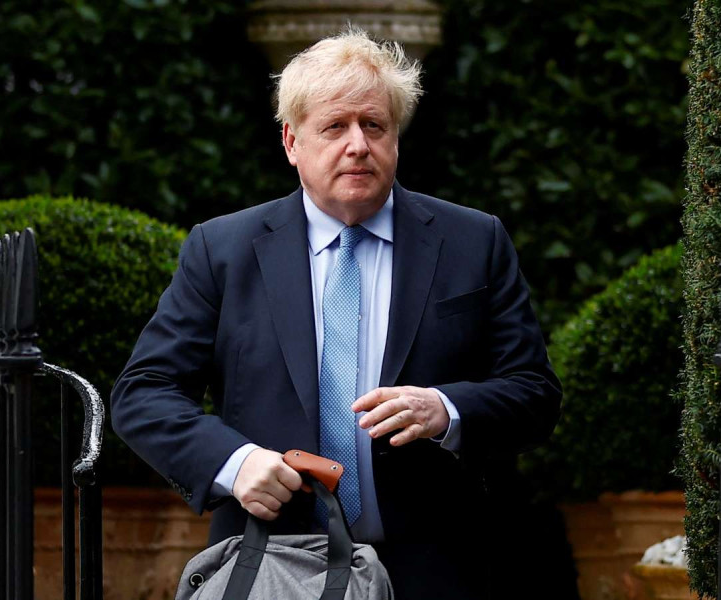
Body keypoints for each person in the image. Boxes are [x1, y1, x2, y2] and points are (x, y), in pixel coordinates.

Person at [111, 28, 561, 599]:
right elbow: (143, 392)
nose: (358, 145)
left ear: (395, 136)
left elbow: (534, 394)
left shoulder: (473, 242)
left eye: (374, 125)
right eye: (334, 127)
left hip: (434, 569)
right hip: (272, 568)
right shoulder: (223, 250)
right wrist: (235, 462)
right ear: (291, 142)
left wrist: (446, 409)